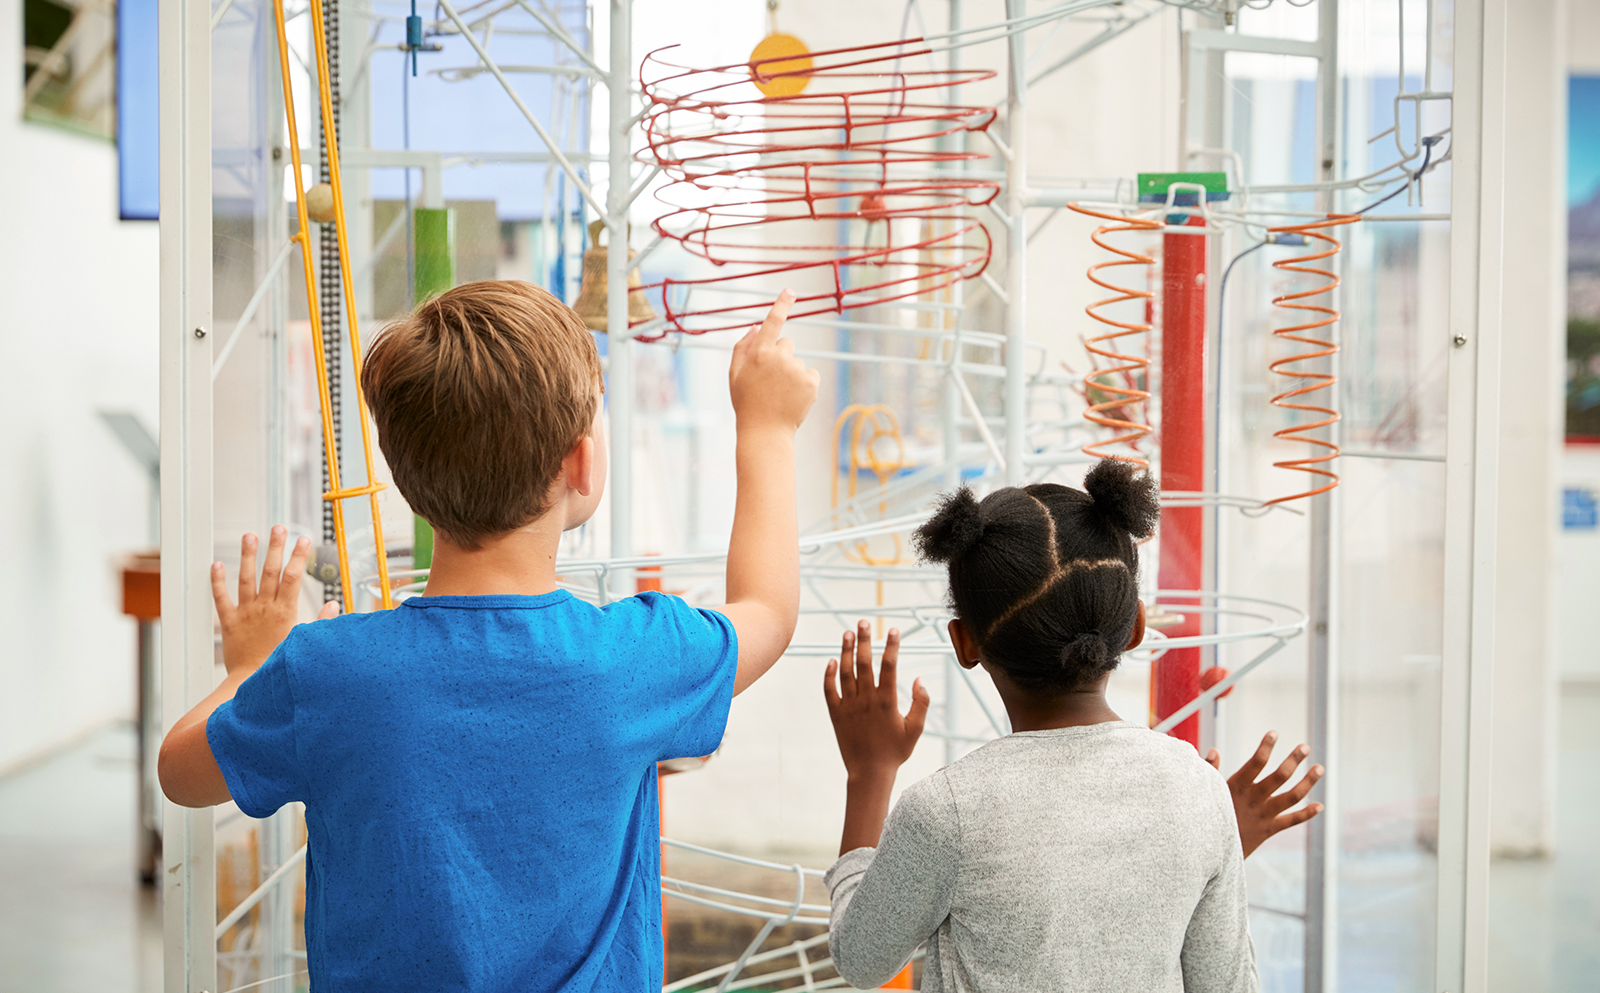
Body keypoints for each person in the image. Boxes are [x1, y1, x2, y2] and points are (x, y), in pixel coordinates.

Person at [157, 282, 818, 992]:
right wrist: (767, 428)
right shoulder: (628, 661)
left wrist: (248, 667)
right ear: (581, 464)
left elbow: (179, 771)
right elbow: (767, 610)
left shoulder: (325, 673)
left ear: (407, 476)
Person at [822, 460, 1323, 992]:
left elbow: (861, 958)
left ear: (965, 642)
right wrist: (1213, 848)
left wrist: (869, 774)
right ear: (1135, 627)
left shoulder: (948, 813)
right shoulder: (1199, 790)